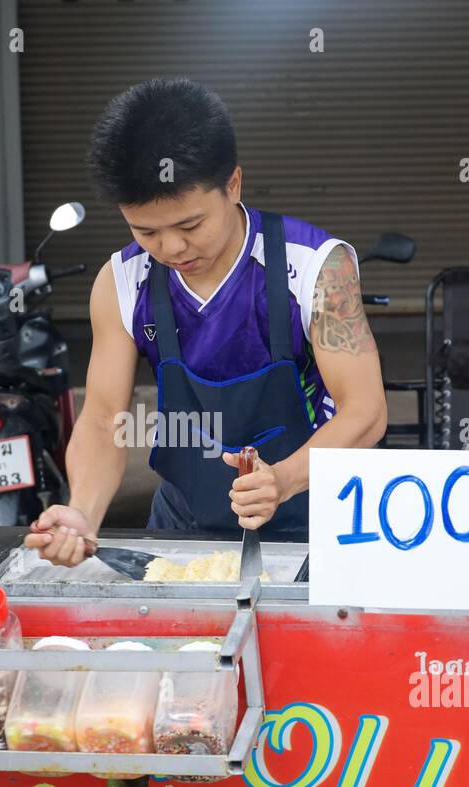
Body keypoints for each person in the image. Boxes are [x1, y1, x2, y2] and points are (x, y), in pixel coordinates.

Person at [26, 78, 387, 567]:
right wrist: (84, 511)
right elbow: (104, 415)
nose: (172, 248)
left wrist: (282, 480)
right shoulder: (122, 282)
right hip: (184, 529)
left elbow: (365, 412)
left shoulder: (317, 267)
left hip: (317, 525)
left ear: (233, 184)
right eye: (146, 230)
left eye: (190, 225)